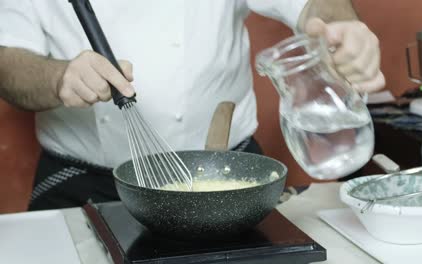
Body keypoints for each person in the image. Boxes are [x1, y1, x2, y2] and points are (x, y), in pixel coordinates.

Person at [0, 0, 385, 210]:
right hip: (86, 183)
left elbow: (319, 7)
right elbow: (7, 63)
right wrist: (58, 77)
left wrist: (342, 30)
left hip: (230, 176)